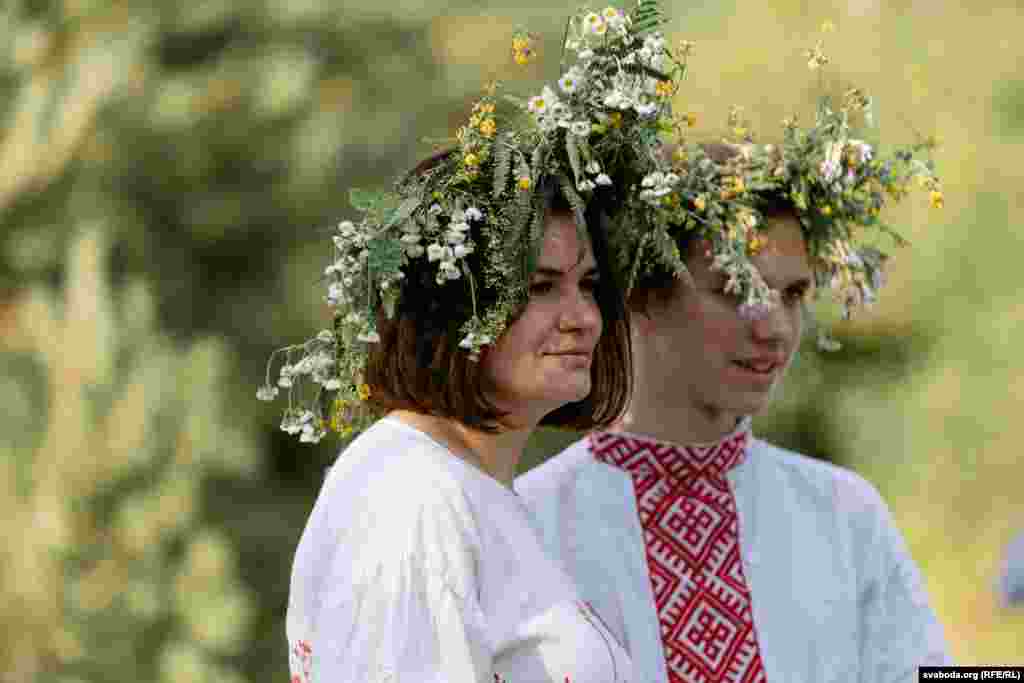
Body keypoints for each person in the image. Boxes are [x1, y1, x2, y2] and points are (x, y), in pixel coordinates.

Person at [258, 4, 697, 679]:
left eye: (587, 285)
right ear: (452, 310)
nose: (581, 316)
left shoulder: (469, 489)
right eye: (540, 287)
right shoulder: (414, 498)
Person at [516, 129, 953, 679]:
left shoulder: (844, 515)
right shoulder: (528, 525)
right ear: (641, 294)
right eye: (734, 288)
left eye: (792, 294)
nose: (773, 327)